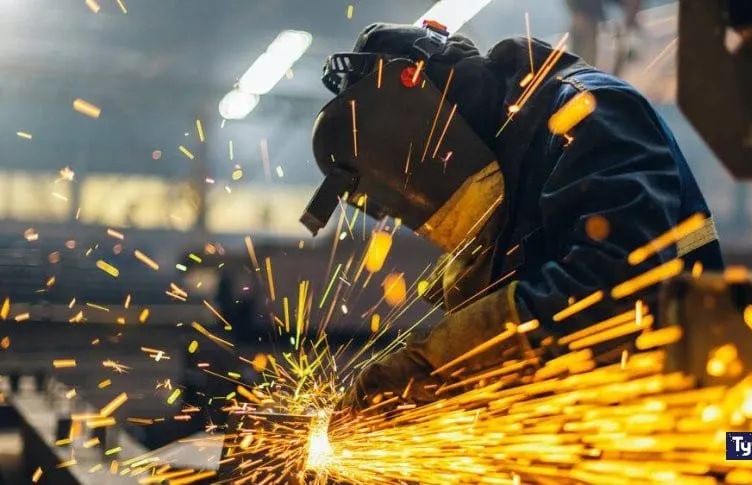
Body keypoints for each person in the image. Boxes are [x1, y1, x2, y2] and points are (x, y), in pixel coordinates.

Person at [300, 21, 723, 413]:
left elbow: (616, 291)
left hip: (670, 413)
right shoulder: (504, 164)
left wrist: (437, 366)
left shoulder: (586, 112)